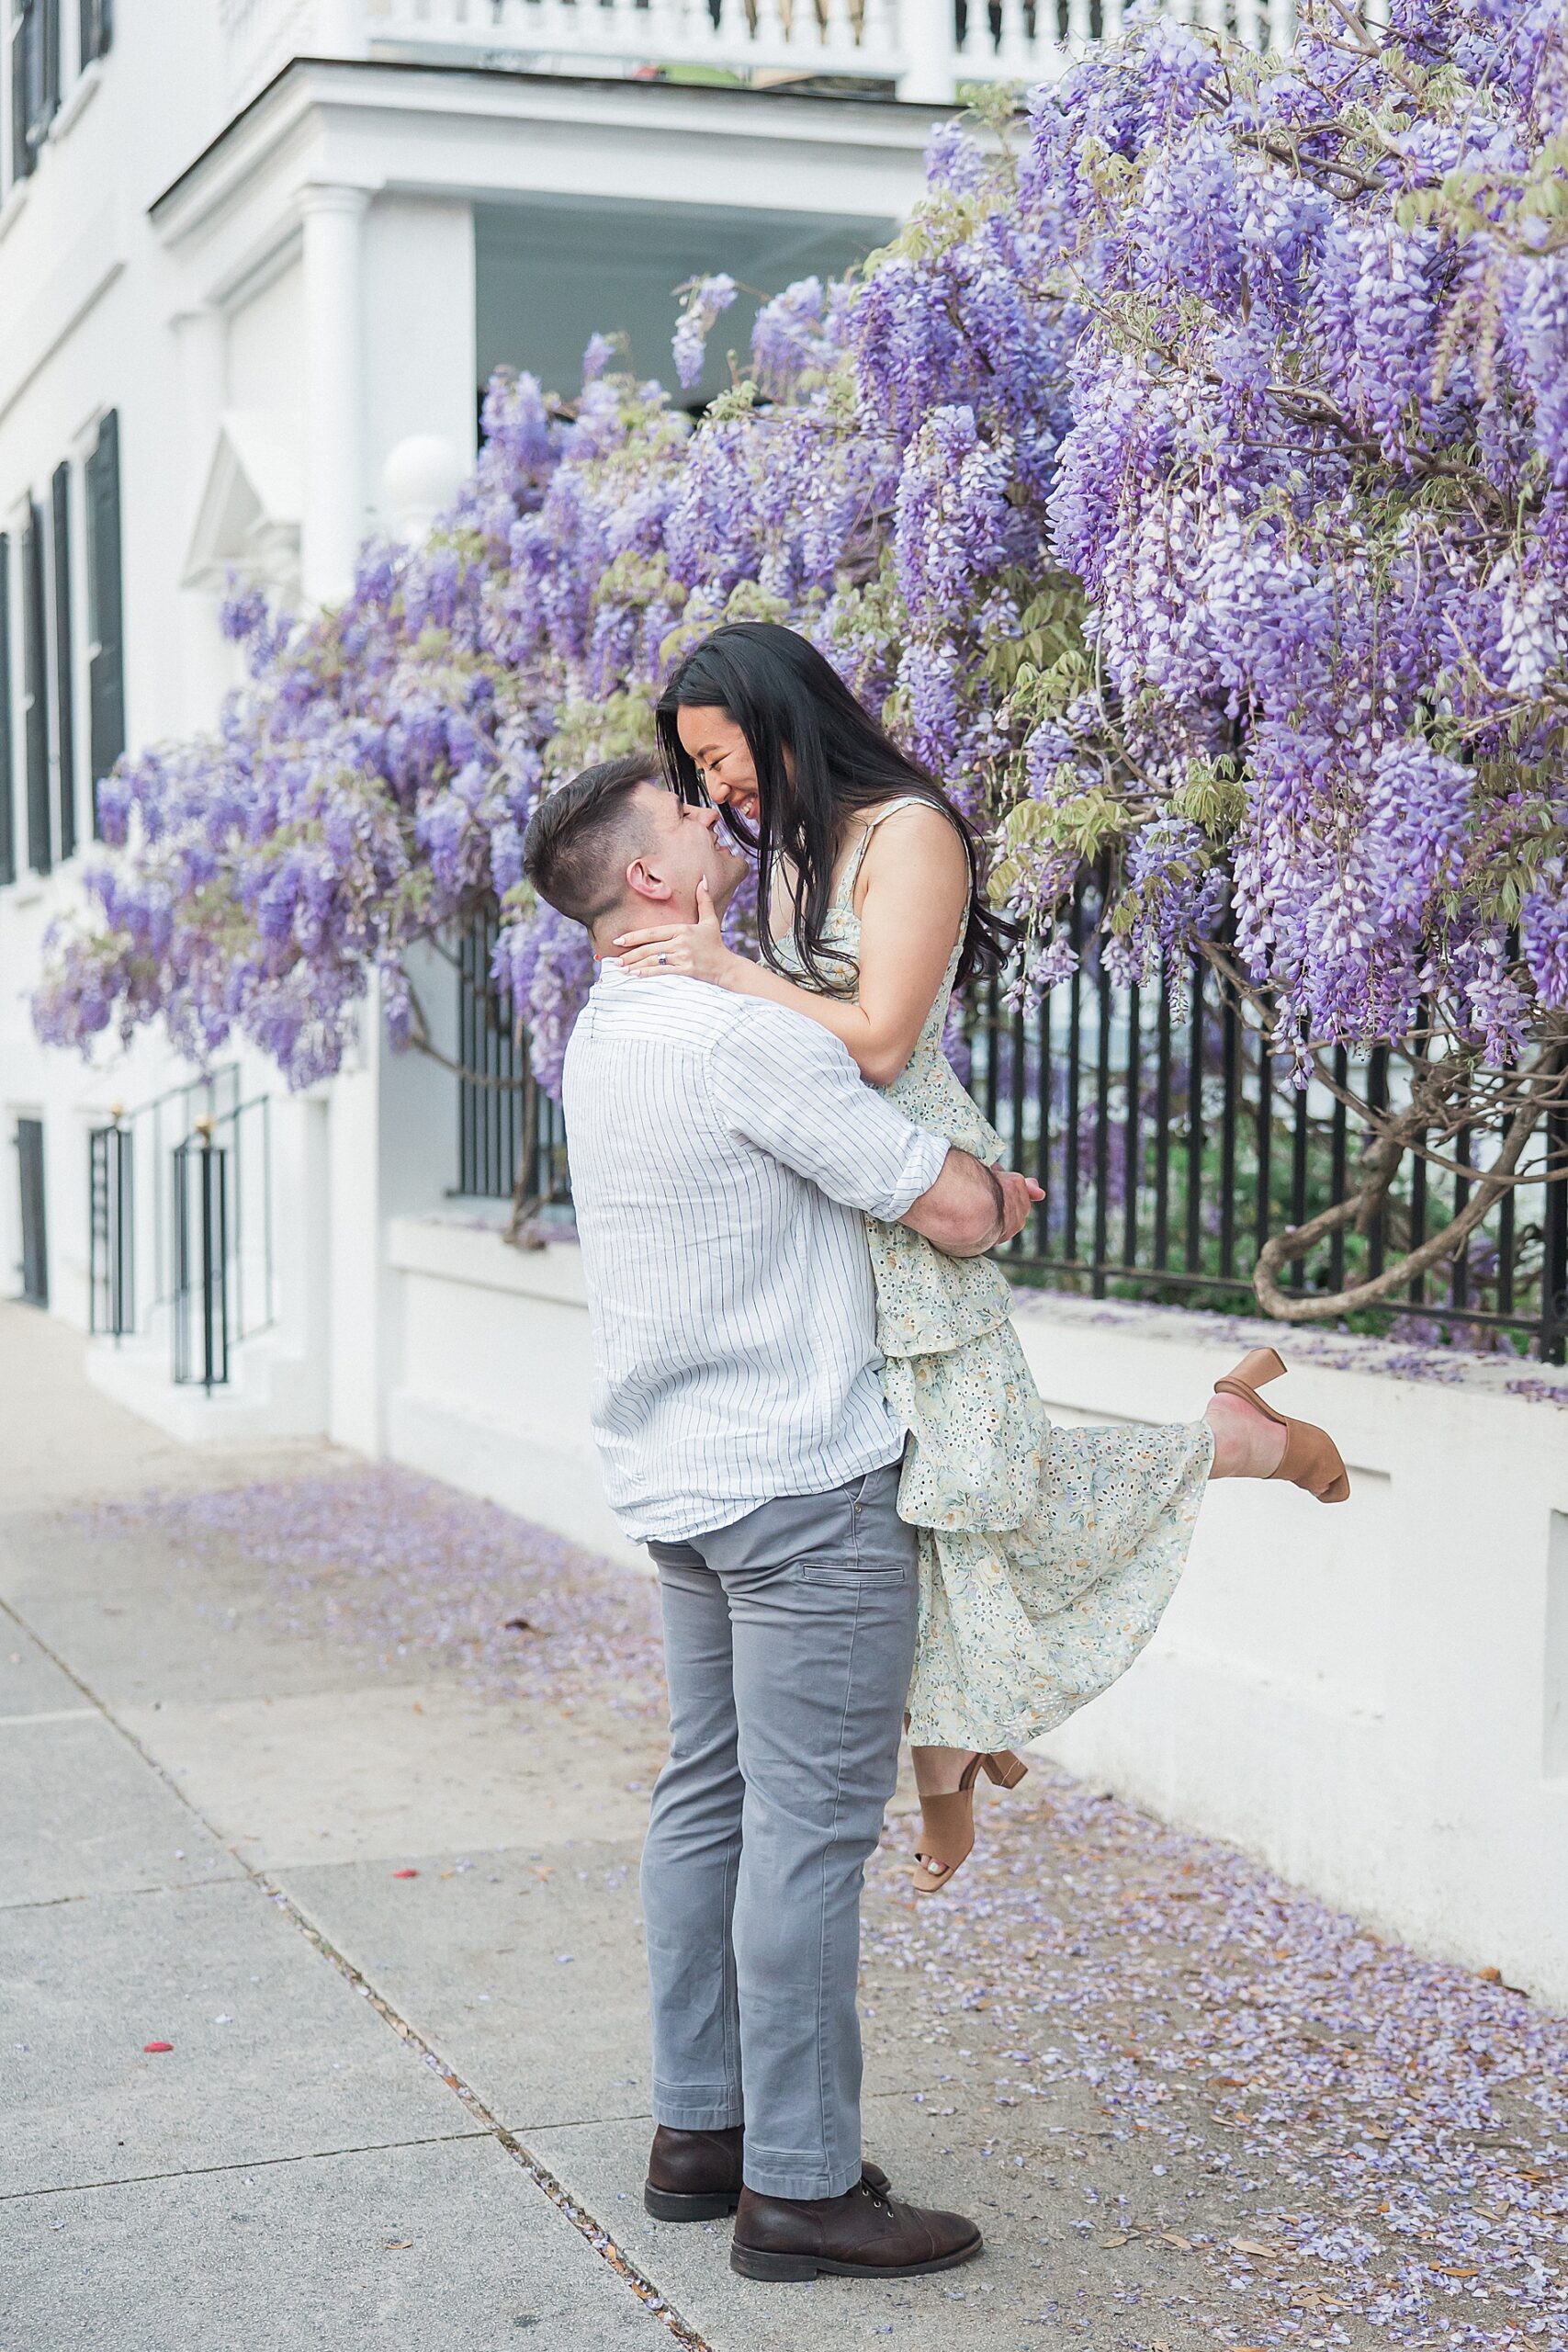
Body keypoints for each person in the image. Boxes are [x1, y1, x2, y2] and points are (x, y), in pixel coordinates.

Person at [605, 619, 1350, 1894]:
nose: (717, 793)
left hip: (913, 1184)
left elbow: (881, 1041)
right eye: (701, 775)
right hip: (835, 1194)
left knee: (973, 1484)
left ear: (785, 718)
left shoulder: (911, 833)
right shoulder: (784, 849)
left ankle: (1233, 1441)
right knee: (917, 1498)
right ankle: (957, 1748)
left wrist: (722, 969)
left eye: (723, 760)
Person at [522, 753, 1044, 2281]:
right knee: (810, 1836)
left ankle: (704, 2136)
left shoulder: (605, 1032)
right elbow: (938, 1203)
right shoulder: (734, 1036)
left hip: (684, 1486)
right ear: (653, 886)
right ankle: (804, 2190)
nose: (717, 815)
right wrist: (999, 1190)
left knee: (709, 1798)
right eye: (691, 815)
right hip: (803, 1491)